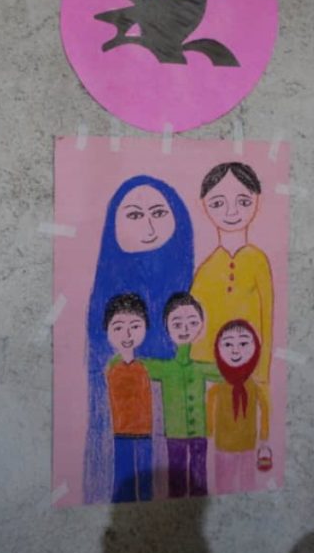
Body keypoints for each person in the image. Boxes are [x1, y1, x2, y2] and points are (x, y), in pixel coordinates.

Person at [84, 176, 195, 503]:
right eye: (134, 215)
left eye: (159, 213)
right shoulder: (106, 292)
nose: (149, 227)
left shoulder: (188, 284)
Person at [190, 162, 274, 385]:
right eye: (218, 203)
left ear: (257, 200)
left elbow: (267, 321)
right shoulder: (205, 270)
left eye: (243, 201)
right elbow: (197, 330)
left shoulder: (258, 261)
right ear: (203, 205)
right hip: (210, 374)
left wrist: (261, 376)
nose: (231, 212)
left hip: (250, 372)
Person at [143, 293, 221, 498]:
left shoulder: (201, 367)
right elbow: (140, 367)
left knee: (199, 481)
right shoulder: (165, 368)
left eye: (192, 322)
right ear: (167, 327)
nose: (185, 329)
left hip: (199, 433)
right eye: (177, 324)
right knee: (176, 485)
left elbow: (226, 372)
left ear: (201, 324)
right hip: (175, 434)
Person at [207, 320, 269, 494]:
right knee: (223, 485)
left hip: (248, 445)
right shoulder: (217, 388)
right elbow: (209, 407)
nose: (235, 350)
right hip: (223, 446)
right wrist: (208, 432)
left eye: (243, 343)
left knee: (247, 484)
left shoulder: (254, 387)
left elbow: (264, 409)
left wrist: (264, 436)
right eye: (228, 344)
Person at [104, 293, 155, 502]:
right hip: (120, 432)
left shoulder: (146, 368)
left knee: (146, 482)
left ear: (145, 328)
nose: (127, 334)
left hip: (145, 432)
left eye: (135, 326)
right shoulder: (111, 369)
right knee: (123, 478)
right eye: (118, 328)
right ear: (108, 330)